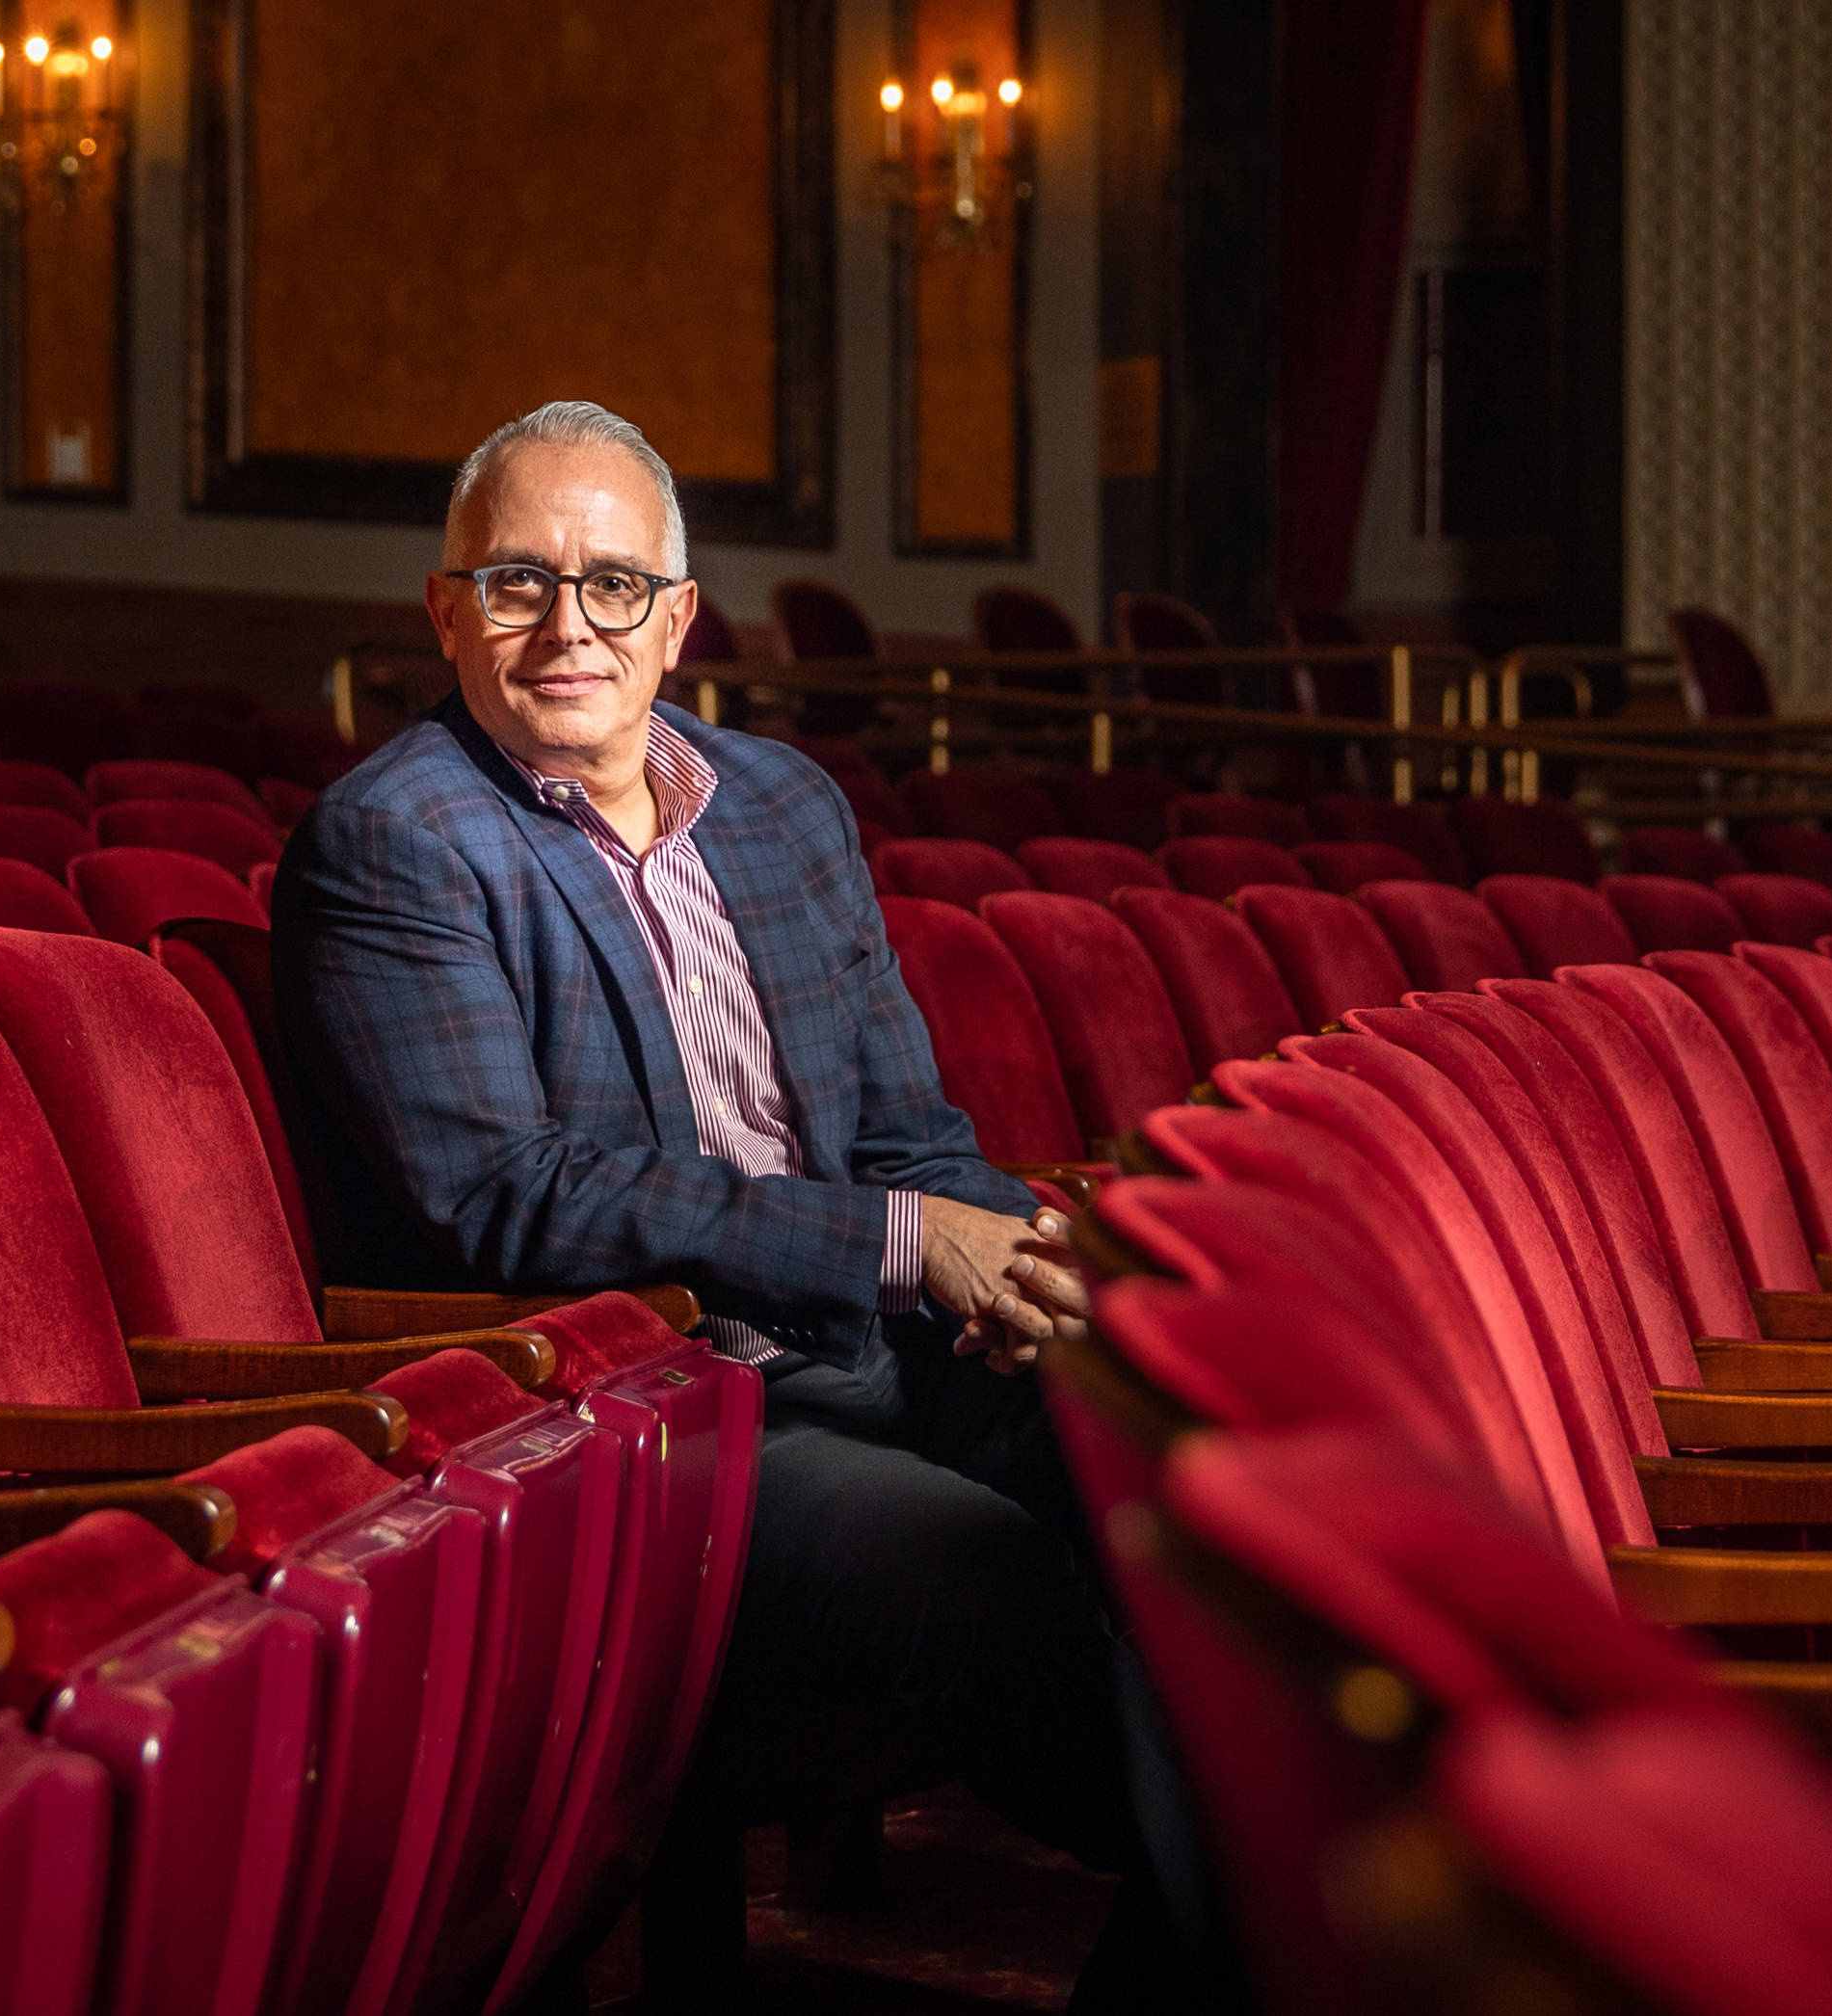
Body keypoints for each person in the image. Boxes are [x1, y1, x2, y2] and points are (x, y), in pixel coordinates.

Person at [272, 400, 1224, 2007]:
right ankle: (1317, 1919)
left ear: (679, 617)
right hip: (646, 1412)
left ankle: (1230, 1945)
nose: (568, 623)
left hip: (874, 1350)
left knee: (1196, 1465)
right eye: (516, 582)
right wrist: (914, 1247)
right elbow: (507, 1197)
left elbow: (909, 1134)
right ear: (445, 612)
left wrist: (1032, 1268)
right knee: (991, 1579)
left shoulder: (780, 804)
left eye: (612, 584)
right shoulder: (395, 841)